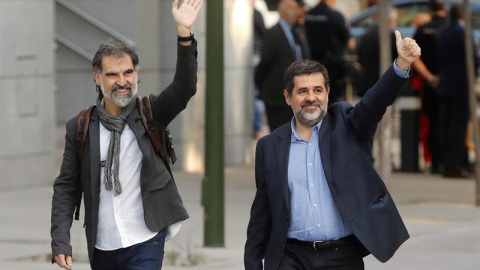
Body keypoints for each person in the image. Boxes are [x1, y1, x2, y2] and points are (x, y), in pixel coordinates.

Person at [244, 30, 420, 270]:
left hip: (341, 256)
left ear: (327, 93)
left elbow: (375, 101)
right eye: (302, 91)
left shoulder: (348, 124)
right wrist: (253, 263)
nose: (311, 98)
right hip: (291, 257)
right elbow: (262, 213)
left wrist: (401, 65)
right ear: (288, 97)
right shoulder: (269, 146)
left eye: (317, 90)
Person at [50, 0, 203, 269]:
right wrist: (60, 239)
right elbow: (66, 187)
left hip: (145, 238)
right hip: (103, 244)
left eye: (128, 72)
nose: (122, 81)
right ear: (98, 79)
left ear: (136, 74)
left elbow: (185, 87)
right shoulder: (81, 127)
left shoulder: (150, 113)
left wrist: (184, 33)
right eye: (112, 74)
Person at [436, 3, 478, 178]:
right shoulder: (463, 33)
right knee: (459, 128)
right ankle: (457, 164)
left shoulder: (442, 32)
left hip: (445, 83)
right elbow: (473, 60)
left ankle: (447, 163)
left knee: (445, 126)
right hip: (461, 84)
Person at [255, 0, 311, 132]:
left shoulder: (297, 32)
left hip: (296, 94)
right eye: (291, 8)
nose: (295, 12)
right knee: (280, 135)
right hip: (277, 97)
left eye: (296, 9)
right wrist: (262, 87)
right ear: (281, 11)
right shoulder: (272, 33)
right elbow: (264, 64)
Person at [412, 0, 447, 174]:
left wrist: (429, 77)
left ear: (430, 10)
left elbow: (414, 57)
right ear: (444, 9)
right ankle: (451, 160)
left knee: (432, 121)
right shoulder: (453, 27)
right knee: (451, 121)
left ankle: (436, 161)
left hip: (431, 83)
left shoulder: (423, 30)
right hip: (451, 83)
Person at [304, 0, 351, 102]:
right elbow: (349, 42)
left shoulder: (308, 15)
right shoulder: (335, 16)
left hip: (311, 64)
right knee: (331, 98)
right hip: (332, 66)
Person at [356, 8, 398, 97]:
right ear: (391, 21)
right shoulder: (393, 36)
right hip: (386, 82)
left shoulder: (366, 34)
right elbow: (398, 59)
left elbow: (359, 55)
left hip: (366, 82)